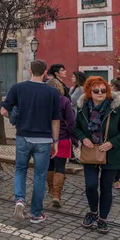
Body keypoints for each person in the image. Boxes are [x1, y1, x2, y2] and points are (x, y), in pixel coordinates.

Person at [1, 59, 60, 224]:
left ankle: (19, 200)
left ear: (29, 71)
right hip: (44, 140)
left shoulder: (17, 88)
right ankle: (36, 214)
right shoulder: (52, 92)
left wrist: (15, 118)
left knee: (20, 170)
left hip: (23, 137)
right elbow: (56, 120)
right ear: (45, 72)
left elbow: (3, 111)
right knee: (40, 176)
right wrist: (55, 142)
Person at [75, 76, 120, 233]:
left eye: (103, 90)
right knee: (91, 185)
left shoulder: (116, 107)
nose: (100, 93)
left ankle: (103, 219)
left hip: (112, 153)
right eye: (96, 90)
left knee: (106, 187)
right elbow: (77, 127)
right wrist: (83, 138)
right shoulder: (82, 107)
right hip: (90, 152)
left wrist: (112, 142)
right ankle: (93, 212)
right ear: (89, 91)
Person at [45, 78, 76, 207]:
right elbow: (71, 121)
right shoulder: (64, 101)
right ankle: (57, 195)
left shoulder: (43, 102)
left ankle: (51, 190)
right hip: (62, 139)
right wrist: (74, 138)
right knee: (60, 167)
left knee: (49, 166)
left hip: (46, 140)